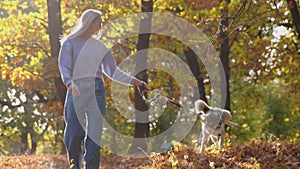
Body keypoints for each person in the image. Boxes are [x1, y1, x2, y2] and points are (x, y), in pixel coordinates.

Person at [58, 9, 148, 169]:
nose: (100, 25)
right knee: (73, 134)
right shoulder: (69, 42)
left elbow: (113, 71)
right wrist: (70, 83)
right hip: (76, 88)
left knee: (94, 135)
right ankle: (74, 166)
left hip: (97, 90)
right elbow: (64, 66)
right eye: (98, 22)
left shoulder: (100, 46)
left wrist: (136, 82)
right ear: (90, 22)